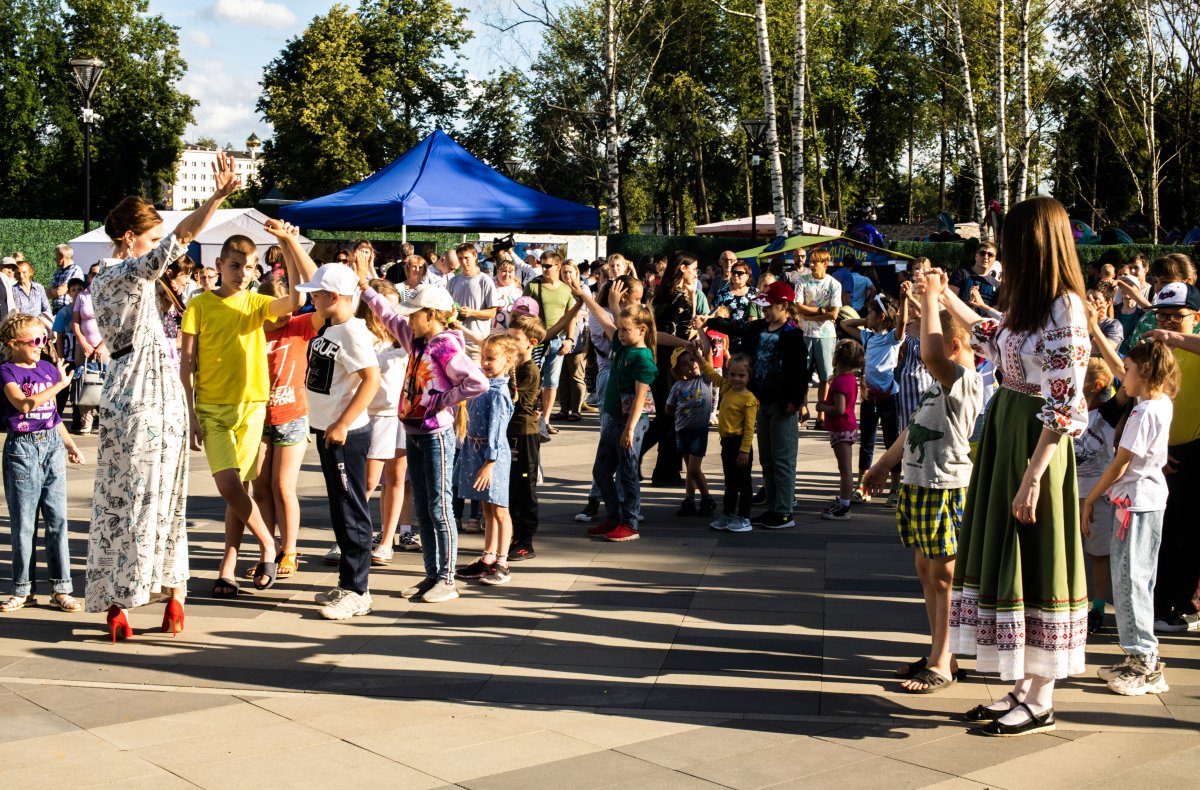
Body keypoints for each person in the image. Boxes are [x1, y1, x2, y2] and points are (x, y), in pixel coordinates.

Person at [938, 195, 1090, 738]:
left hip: (1036, 443)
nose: (1001, 247)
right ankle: (1025, 686)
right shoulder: (1034, 301)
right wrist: (944, 296)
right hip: (1010, 430)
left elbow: (1067, 401)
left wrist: (1032, 477)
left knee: (1036, 555)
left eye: (1010, 237)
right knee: (1009, 554)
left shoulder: (1065, 306)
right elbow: (991, 335)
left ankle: (1042, 696)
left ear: (1033, 242)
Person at [86, 158, 241, 640]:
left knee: (162, 498)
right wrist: (213, 200)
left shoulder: (121, 277)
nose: (159, 250)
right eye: (150, 239)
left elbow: (172, 246)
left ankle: (164, 595)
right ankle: (133, 598)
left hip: (150, 392)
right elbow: (177, 242)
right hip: (139, 393)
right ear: (129, 237)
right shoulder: (116, 275)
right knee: (132, 498)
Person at [864, 287, 983, 690]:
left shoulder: (964, 380)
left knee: (943, 575)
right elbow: (913, 428)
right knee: (925, 571)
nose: (925, 359)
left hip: (945, 487)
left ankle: (942, 660)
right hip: (920, 484)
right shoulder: (939, 384)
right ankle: (939, 650)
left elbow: (932, 355)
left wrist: (933, 297)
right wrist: (882, 464)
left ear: (952, 346)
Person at [180, 234, 304, 598]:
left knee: (241, 490)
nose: (242, 273)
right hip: (211, 409)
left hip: (252, 408)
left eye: (249, 267)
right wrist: (189, 413)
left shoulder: (257, 303)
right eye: (235, 266)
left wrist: (288, 244)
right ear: (218, 266)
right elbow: (187, 362)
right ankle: (269, 544)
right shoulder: (199, 306)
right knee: (229, 486)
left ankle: (228, 567)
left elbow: (297, 299)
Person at [359, 280, 488, 603]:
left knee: (439, 506)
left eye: (414, 315)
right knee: (424, 508)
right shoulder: (415, 339)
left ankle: (446, 578)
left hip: (434, 435)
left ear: (430, 315)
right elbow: (389, 316)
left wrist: (444, 399)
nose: (408, 320)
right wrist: (366, 288)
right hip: (414, 432)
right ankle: (432, 575)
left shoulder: (446, 346)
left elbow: (478, 382)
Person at [1084, 340, 1178, 695]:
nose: (1123, 377)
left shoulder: (1145, 411)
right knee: (1133, 579)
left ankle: (1145, 662)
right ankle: (1138, 654)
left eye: (1129, 371)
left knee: (1131, 581)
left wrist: (1092, 497)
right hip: (1140, 501)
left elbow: (1122, 461)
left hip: (1136, 503)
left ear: (1147, 373)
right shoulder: (1156, 402)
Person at [295, 263, 382, 619]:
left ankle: (358, 590)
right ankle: (348, 583)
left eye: (316, 294)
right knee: (339, 509)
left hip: (344, 433)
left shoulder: (353, 333)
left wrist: (343, 423)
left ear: (333, 297)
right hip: (327, 429)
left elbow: (371, 379)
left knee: (351, 511)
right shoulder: (333, 326)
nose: (311, 299)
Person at [703, 281, 807, 530]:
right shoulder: (758, 328)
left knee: (783, 458)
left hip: (783, 405)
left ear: (784, 306)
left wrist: (796, 400)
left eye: (770, 306)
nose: (765, 311)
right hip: (761, 401)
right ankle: (772, 507)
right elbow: (736, 327)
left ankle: (784, 511)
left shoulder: (793, 334)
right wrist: (711, 321)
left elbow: (800, 371)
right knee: (768, 459)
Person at [0, 313, 86, 614]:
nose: (42, 344)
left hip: (50, 446)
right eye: (35, 340)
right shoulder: (7, 371)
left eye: (45, 339)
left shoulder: (49, 369)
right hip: (22, 450)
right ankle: (22, 590)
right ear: (14, 343)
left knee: (57, 521)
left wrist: (71, 444)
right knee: (24, 525)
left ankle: (61, 588)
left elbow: (52, 415)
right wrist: (61, 386)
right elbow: (24, 405)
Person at [570, 280, 656, 542]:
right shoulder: (623, 344)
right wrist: (584, 293)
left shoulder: (643, 358)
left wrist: (629, 429)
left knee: (628, 473)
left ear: (641, 330)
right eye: (619, 330)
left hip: (630, 422)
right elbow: (604, 317)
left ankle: (629, 523)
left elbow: (641, 397)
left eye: (625, 331)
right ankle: (614, 517)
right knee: (601, 471)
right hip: (614, 420)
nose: (618, 334)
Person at [254, 271, 320, 583]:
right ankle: (267, 551)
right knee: (260, 488)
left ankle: (290, 549)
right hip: (257, 419)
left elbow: (315, 298)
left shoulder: (299, 326)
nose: (287, 315)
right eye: (281, 309)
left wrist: (289, 247)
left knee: (282, 486)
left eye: (290, 308)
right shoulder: (252, 331)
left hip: (292, 415)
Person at [1142, 282, 1200, 633]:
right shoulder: (1157, 349)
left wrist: (1173, 337)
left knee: (1190, 536)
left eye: (1176, 316)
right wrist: (1156, 450)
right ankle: (1163, 606)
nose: (1167, 323)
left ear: (1196, 316)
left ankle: (1182, 606)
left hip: (1196, 452)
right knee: (1162, 534)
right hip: (1161, 454)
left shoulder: (1184, 344)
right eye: (1162, 316)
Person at [454, 334, 518, 586]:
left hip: (493, 457)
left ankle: (502, 561)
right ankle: (488, 556)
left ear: (508, 360)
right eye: (483, 357)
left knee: (500, 508)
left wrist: (489, 462)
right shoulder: (482, 386)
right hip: (476, 451)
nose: (486, 362)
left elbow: (497, 429)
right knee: (486, 507)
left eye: (491, 358)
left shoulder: (500, 392)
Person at [359, 279, 411, 565]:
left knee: (395, 478)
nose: (389, 311)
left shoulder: (403, 336)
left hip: (398, 414)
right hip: (369, 414)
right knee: (365, 482)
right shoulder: (362, 334)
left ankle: (387, 539)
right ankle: (350, 538)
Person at [1073, 357, 1125, 636]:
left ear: (1096, 385)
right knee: (1072, 554)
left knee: (1098, 555)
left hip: (1098, 496)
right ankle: (1073, 604)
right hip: (1070, 495)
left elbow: (1127, 380)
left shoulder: (1109, 412)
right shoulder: (1070, 409)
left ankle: (1098, 607)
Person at [842, 295, 904, 507]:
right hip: (870, 397)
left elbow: (902, 323)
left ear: (882, 317)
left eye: (870, 313)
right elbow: (844, 323)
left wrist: (903, 300)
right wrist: (866, 321)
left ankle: (895, 487)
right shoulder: (868, 337)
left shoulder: (892, 338)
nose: (866, 316)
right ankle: (862, 484)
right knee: (866, 441)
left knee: (891, 441)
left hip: (889, 397)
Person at [643, 251, 700, 485]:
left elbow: (689, 325)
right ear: (682, 269)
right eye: (694, 268)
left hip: (670, 362)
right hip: (668, 363)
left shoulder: (669, 294)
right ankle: (655, 464)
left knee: (671, 416)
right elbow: (659, 335)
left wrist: (694, 294)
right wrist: (686, 343)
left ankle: (666, 470)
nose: (697, 272)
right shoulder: (674, 297)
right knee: (669, 416)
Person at [698, 346, 758, 533]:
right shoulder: (726, 388)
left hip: (740, 444)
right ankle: (728, 514)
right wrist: (698, 358)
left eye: (741, 375)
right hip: (727, 444)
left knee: (744, 483)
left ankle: (744, 517)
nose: (736, 379)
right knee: (730, 482)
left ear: (749, 377)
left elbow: (749, 429)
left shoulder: (749, 399)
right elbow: (710, 372)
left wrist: (744, 451)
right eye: (732, 374)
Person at [505, 314, 546, 561]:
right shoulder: (513, 365)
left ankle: (525, 540)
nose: (509, 342)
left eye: (515, 339)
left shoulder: (528, 370)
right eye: (508, 336)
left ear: (531, 342)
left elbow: (519, 404)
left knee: (524, 487)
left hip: (524, 434)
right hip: (510, 433)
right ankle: (514, 535)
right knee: (512, 487)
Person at [524, 250, 576, 438]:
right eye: (541, 265)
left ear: (558, 266)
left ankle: (545, 420)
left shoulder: (566, 288)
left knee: (552, 383)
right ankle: (530, 417)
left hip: (559, 341)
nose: (543, 269)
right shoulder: (533, 286)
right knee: (534, 380)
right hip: (536, 341)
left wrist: (570, 339)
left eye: (547, 266)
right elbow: (524, 312)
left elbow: (571, 316)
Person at [793, 249, 841, 427]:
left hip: (826, 335)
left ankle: (821, 415)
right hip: (804, 333)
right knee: (802, 376)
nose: (811, 265)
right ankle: (803, 409)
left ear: (825, 263)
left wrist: (810, 315)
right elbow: (798, 307)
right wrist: (821, 311)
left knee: (825, 376)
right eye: (810, 261)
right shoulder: (801, 280)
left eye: (815, 262)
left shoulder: (834, 284)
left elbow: (834, 314)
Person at [665, 347, 715, 517]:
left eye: (692, 360)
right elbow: (668, 408)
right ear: (679, 370)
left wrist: (699, 353)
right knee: (689, 468)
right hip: (682, 431)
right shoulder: (678, 386)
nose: (690, 365)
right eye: (684, 364)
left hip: (699, 431)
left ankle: (707, 498)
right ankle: (689, 499)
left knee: (694, 468)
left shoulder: (705, 380)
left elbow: (708, 357)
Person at [818, 340, 864, 520]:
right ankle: (843, 502)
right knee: (845, 467)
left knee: (845, 469)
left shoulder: (839, 382)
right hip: (848, 427)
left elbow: (839, 409)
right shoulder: (850, 379)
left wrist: (822, 407)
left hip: (841, 428)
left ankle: (844, 506)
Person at [447, 243, 499, 361]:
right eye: (460, 258)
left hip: (476, 342)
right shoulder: (453, 281)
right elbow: (446, 308)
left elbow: (492, 313)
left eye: (466, 258)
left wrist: (472, 312)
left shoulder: (485, 281)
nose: (463, 262)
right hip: (456, 339)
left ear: (475, 256)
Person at [949, 243, 1002, 312]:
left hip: (985, 322)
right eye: (982, 253)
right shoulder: (961, 273)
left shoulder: (996, 285)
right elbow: (950, 299)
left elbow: (995, 311)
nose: (986, 257)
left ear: (994, 259)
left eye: (990, 255)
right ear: (976, 256)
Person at [10, 260, 52, 326]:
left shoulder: (39, 288)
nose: (21, 275)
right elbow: (14, 313)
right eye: (18, 273)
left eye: (24, 272)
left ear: (30, 272)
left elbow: (46, 309)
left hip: (39, 325)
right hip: (22, 327)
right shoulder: (12, 290)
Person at [47, 244, 83, 313]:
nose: (55, 259)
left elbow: (60, 291)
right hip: (57, 311)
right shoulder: (58, 271)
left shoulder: (75, 270)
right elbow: (47, 293)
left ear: (61, 256)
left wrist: (54, 290)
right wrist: (56, 290)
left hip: (69, 309)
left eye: (56, 256)